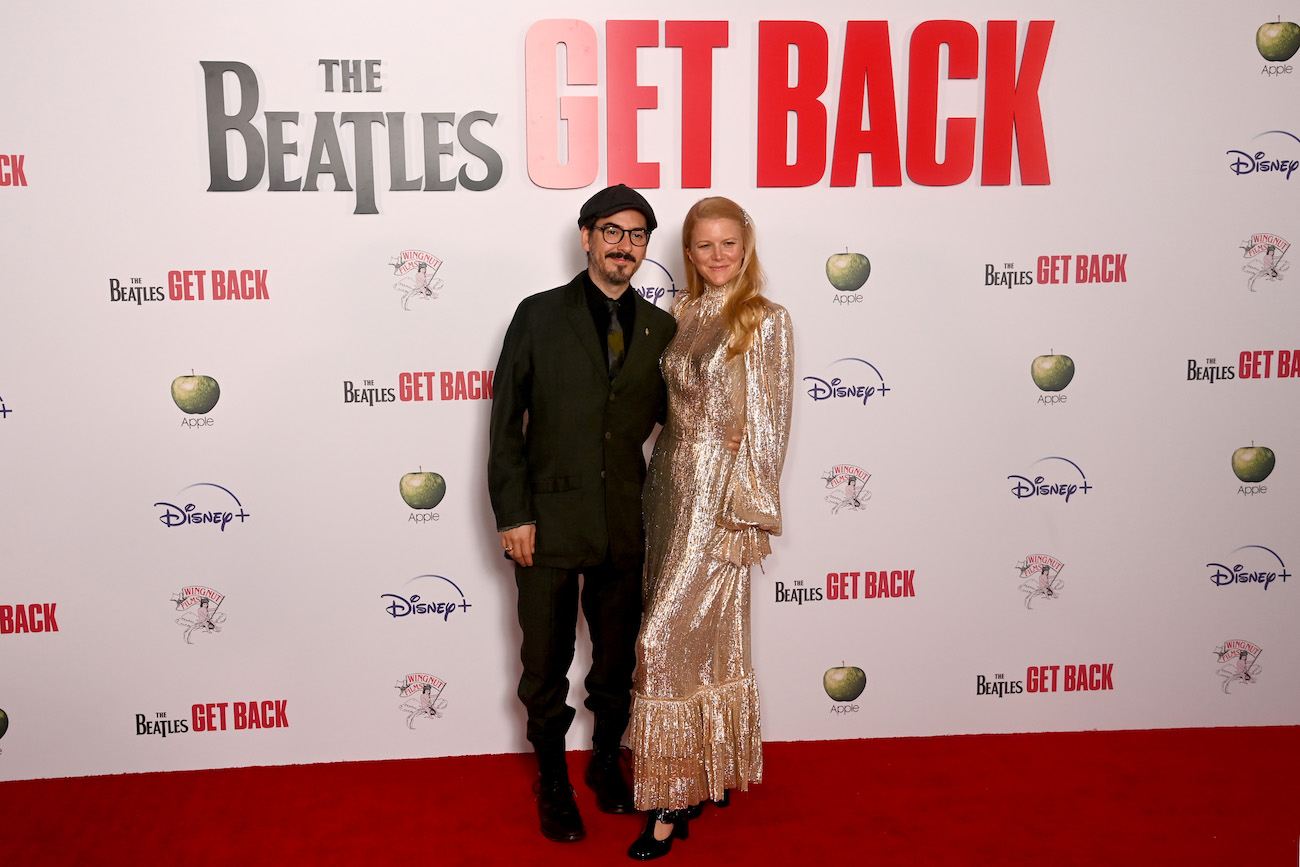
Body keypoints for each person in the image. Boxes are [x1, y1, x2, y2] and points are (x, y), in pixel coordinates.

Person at [488, 184, 677, 843]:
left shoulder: (662, 329)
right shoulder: (538, 315)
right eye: (612, 231)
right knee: (545, 660)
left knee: (616, 658)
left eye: (637, 235)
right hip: (544, 522)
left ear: (646, 248)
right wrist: (514, 513)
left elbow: (675, 424)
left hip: (624, 519)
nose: (624, 245)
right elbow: (506, 422)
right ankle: (554, 780)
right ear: (587, 237)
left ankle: (602, 765)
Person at [626, 197, 794, 859]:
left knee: (660, 640)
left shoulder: (765, 320)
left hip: (720, 498)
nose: (717, 256)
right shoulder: (682, 315)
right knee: (696, 641)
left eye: (729, 243)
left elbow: (770, 426)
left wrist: (746, 513)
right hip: (667, 486)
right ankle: (702, 774)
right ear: (689, 253)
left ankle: (669, 798)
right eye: (704, 246)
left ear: (746, 246)